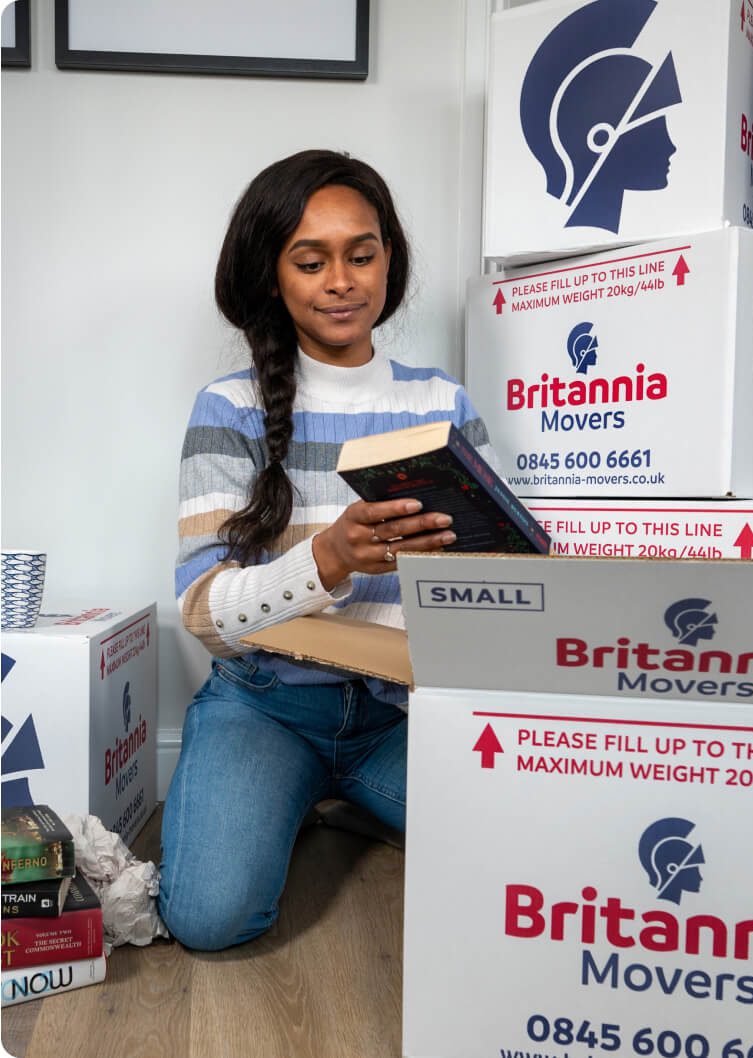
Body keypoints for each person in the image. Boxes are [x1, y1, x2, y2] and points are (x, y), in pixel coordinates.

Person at [158, 149, 497, 951]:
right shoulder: (229, 408)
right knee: (209, 919)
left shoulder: (440, 401)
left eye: (362, 254)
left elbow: (494, 578)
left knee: (529, 852)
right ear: (272, 276)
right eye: (310, 262)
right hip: (266, 705)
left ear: (389, 259)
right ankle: (290, 788)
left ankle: (342, 801)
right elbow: (202, 615)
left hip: (399, 714)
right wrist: (331, 558)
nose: (341, 280)